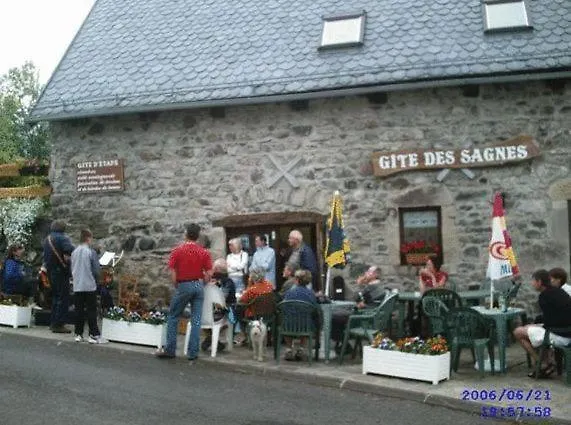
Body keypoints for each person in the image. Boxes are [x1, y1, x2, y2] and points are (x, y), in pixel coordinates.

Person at [155, 223, 213, 362]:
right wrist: (202, 282)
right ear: (198, 236)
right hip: (198, 284)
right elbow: (210, 272)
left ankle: (170, 350)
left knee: (174, 316)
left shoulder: (177, 251)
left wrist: (178, 285)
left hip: (184, 284)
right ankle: (193, 353)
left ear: (186, 234)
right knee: (196, 320)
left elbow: (173, 273)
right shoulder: (203, 252)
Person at [513, 269, 571, 378]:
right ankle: (547, 362)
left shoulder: (544, 296)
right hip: (566, 332)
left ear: (539, 282)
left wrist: (537, 325)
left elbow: (550, 322)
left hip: (561, 335)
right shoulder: (559, 291)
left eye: (533, 281)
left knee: (518, 332)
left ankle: (543, 363)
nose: (532, 284)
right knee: (528, 329)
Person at [330, 266, 385, 351]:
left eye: (369, 272)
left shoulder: (371, 287)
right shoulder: (378, 285)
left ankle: (344, 343)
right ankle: (344, 343)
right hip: (369, 315)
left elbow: (356, 298)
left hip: (363, 318)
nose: (366, 273)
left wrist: (359, 284)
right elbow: (363, 301)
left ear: (375, 275)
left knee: (334, 318)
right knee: (339, 315)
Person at [71, 229, 106, 344]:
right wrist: (98, 280)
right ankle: (93, 334)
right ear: (88, 238)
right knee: (91, 310)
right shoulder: (91, 252)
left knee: (79, 310)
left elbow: (71, 268)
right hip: (89, 285)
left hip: (77, 285)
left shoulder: (74, 252)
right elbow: (96, 270)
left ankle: (78, 333)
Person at [43, 220, 75, 333]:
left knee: (56, 297)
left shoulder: (47, 239)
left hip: (50, 271)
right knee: (63, 297)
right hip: (60, 271)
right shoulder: (62, 238)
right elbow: (70, 250)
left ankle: (53, 322)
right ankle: (59, 324)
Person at [282, 269, 318, 361]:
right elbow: (315, 310)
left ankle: (289, 349)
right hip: (305, 326)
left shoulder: (289, 293)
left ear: (297, 280)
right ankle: (301, 348)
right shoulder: (311, 294)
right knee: (308, 320)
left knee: (287, 320)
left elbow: (283, 307)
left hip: (288, 325)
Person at [202, 258, 236, 352]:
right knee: (228, 317)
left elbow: (221, 298)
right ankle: (213, 340)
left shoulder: (222, 282)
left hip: (217, 312)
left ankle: (210, 339)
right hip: (219, 312)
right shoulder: (226, 281)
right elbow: (221, 299)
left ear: (217, 269)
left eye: (213, 268)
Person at [233, 268, 274, 345]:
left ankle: (245, 335)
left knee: (238, 312)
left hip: (254, 315)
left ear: (252, 277)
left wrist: (249, 284)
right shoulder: (269, 286)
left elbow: (241, 301)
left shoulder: (252, 290)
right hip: (269, 314)